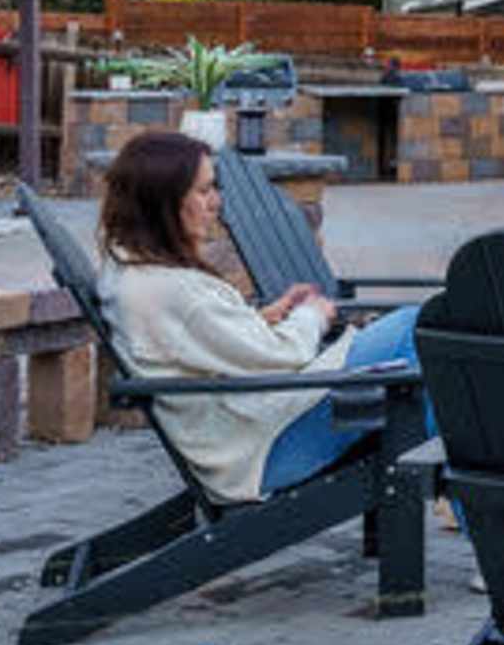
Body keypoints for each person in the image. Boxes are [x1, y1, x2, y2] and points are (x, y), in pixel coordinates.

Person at [93, 131, 418, 499]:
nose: (216, 202)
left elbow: (194, 343)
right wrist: (311, 315)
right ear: (162, 202)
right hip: (262, 450)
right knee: (417, 327)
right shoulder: (171, 289)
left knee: (433, 374)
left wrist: (262, 319)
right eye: (203, 191)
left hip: (247, 431)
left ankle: (467, 484)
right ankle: (475, 502)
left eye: (214, 188)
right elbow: (282, 357)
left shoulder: (133, 271)